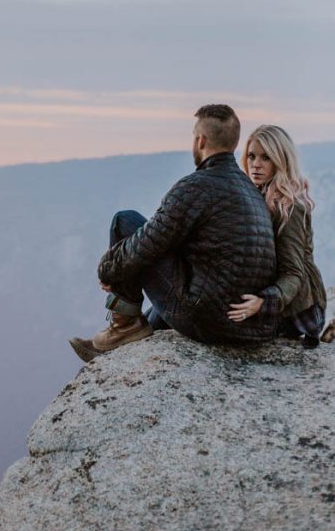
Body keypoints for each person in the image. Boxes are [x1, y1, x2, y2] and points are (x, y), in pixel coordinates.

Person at [69, 104, 278, 363]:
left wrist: (109, 268)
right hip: (251, 326)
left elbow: (148, 242)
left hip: (210, 322)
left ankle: (124, 326)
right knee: (179, 279)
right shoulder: (251, 192)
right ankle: (138, 335)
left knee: (125, 221)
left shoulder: (197, 186)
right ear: (234, 143)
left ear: (200, 140)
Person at [227, 125, 328, 348]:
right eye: (251, 156)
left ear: (281, 161)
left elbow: (294, 273)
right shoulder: (256, 195)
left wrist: (263, 303)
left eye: (266, 158)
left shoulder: (290, 207)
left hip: (300, 312)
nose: (256, 164)